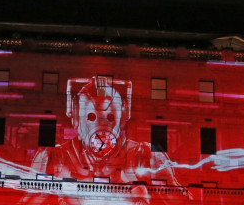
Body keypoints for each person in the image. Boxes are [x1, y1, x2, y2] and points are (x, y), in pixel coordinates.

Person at [32, 76, 179, 185]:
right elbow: (29, 199)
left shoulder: (144, 155)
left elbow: (180, 202)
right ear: (76, 118)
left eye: (110, 117)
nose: (101, 125)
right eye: (91, 117)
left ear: (122, 117)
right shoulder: (55, 156)